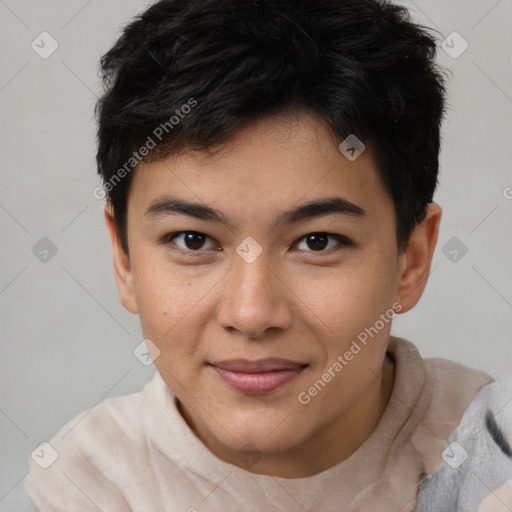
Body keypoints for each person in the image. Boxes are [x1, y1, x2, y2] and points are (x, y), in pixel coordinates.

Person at [25, 0, 512, 510]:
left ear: (410, 259)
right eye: (193, 240)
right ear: (124, 258)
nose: (252, 314)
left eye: (317, 241)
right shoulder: (90, 481)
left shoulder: (490, 454)